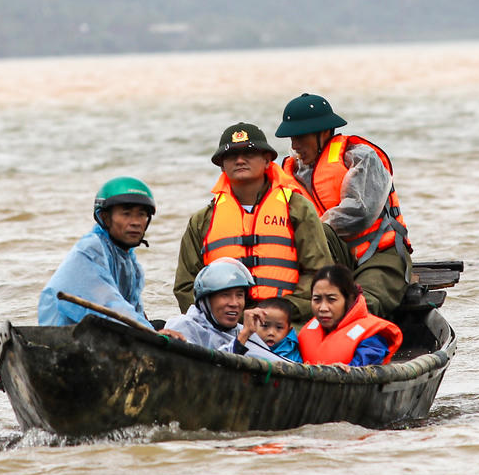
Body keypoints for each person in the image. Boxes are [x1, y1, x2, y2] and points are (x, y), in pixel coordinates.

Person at [174, 122, 334, 322]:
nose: (240, 160)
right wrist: (214, 319)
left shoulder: (298, 209)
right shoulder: (202, 220)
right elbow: (185, 285)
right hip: (224, 326)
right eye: (231, 156)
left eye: (248, 154)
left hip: (287, 322)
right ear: (222, 165)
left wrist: (284, 310)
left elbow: (319, 273)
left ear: (267, 160)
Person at [275, 93, 413, 317]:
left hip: (377, 254)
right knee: (294, 307)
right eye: (291, 138)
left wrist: (310, 229)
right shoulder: (287, 171)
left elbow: (360, 212)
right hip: (325, 261)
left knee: (364, 306)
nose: (295, 144)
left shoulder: (359, 156)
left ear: (324, 133)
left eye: (301, 136)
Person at [37, 176, 160, 328]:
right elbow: (109, 305)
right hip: (68, 337)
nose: (135, 222)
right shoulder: (90, 250)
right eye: (126, 213)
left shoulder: (129, 261)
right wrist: (153, 334)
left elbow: (135, 311)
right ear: (105, 218)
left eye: (141, 214)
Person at [164, 259, 281, 360]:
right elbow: (199, 367)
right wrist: (242, 339)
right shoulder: (183, 326)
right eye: (225, 295)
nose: (234, 303)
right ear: (206, 300)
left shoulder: (244, 331)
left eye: (239, 295)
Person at [298, 264, 403, 368]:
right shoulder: (306, 330)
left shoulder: (372, 338)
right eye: (317, 299)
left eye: (331, 299)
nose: (323, 308)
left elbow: (365, 366)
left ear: (349, 300)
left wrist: (347, 370)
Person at [252, 297, 302, 362]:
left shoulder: (292, 354)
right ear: (254, 326)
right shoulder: (247, 344)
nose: (271, 333)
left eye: (279, 327)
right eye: (265, 326)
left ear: (288, 331)